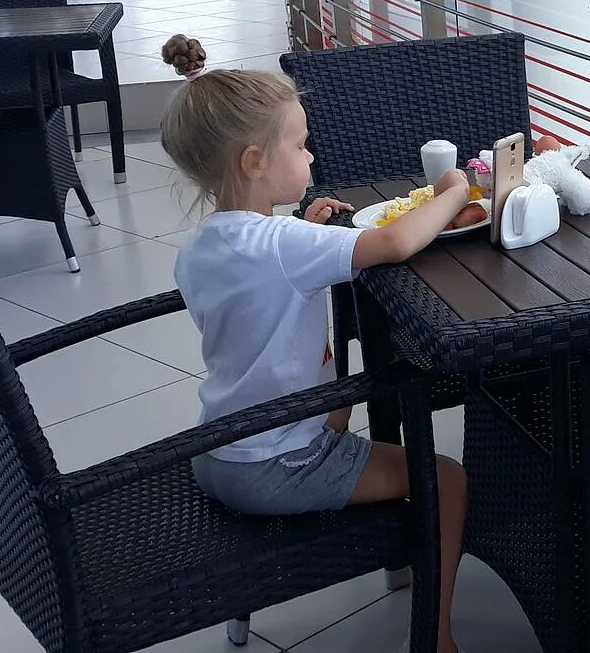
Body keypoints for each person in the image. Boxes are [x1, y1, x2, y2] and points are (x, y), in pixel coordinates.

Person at [156, 35, 468, 653]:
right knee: (450, 478)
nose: (311, 154)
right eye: (299, 145)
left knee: (338, 403)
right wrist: (452, 192)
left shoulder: (200, 248)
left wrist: (301, 230)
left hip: (216, 448)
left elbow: (258, 282)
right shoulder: (284, 246)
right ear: (253, 161)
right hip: (271, 466)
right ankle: (438, 639)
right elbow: (396, 243)